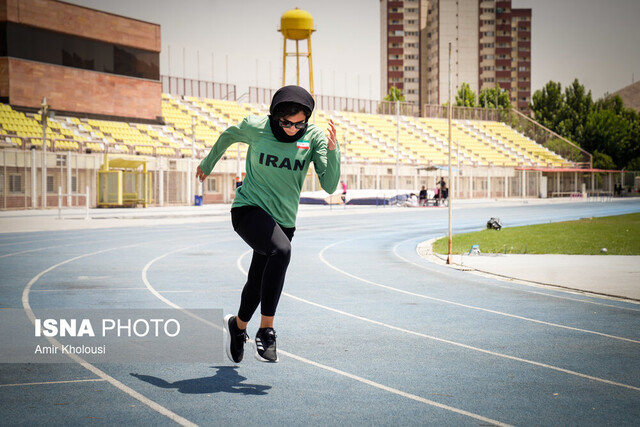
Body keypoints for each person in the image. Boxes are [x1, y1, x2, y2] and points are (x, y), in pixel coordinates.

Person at [196, 86, 340, 363]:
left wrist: (333, 151)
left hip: (283, 221)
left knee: (257, 282)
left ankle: (237, 328)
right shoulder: (256, 127)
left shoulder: (314, 137)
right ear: (275, 116)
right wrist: (208, 162)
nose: (292, 128)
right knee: (281, 252)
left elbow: (330, 185)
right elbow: (228, 135)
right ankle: (266, 331)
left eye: (299, 123)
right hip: (248, 209)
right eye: (286, 122)